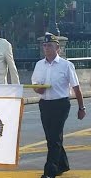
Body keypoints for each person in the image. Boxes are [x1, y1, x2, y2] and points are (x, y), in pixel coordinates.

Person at [31, 32, 86, 178]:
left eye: (50, 46)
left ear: (58, 49)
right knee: (51, 138)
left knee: (54, 137)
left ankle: (49, 172)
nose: (47, 48)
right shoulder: (39, 65)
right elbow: (34, 85)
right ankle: (62, 164)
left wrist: (81, 108)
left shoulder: (66, 65)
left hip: (60, 104)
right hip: (44, 104)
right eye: (45, 45)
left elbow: (76, 88)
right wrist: (38, 89)